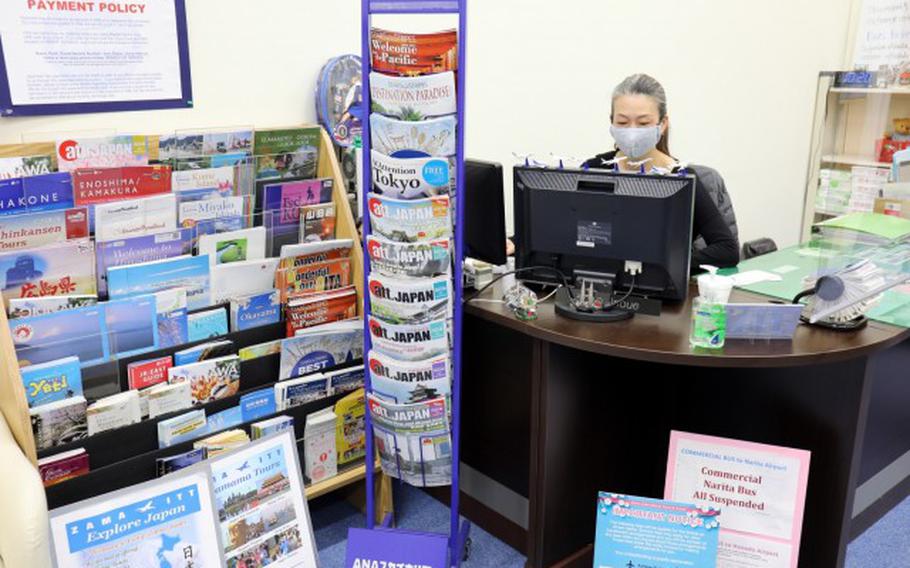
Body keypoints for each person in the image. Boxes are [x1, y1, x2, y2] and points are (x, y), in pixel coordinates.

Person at [583, 73, 739, 270]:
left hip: (660, 293)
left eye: (643, 123)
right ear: (612, 123)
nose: (632, 131)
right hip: (600, 287)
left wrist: (666, 264)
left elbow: (727, 250)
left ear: (662, 124)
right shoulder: (594, 169)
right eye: (622, 123)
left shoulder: (682, 177)